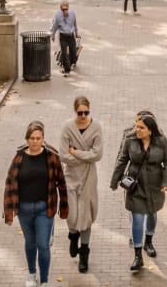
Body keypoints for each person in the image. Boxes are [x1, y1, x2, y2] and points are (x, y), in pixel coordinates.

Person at [4, 120, 69, 287]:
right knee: (30, 243)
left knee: (43, 245)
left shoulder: (52, 157)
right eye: (32, 138)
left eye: (38, 138)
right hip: (24, 209)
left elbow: (61, 183)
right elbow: (10, 183)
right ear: (27, 139)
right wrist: (9, 212)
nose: (35, 141)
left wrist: (63, 208)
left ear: (43, 139)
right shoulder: (19, 157)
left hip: (44, 208)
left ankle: (45, 280)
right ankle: (32, 274)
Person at [110, 111, 167, 272]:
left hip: (155, 185)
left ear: (150, 130)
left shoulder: (161, 141)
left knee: (152, 214)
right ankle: (138, 254)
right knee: (137, 219)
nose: (136, 130)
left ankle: (149, 241)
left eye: (141, 127)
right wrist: (114, 181)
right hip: (136, 185)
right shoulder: (130, 140)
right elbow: (122, 160)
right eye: (136, 126)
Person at [60, 96, 103, 274]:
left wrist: (76, 153)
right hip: (70, 176)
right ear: (75, 111)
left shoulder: (96, 127)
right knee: (72, 214)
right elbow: (63, 155)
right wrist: (85, 157)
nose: (84, 116)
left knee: (85, 216)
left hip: (88, 178)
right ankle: (73, 235)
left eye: (86, 112)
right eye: (80, 113)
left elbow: (98, 155)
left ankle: (84, 253)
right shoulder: (67, 127)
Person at [50, 2, 80, 76]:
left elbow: (75, 24)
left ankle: (69, 64)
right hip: (63, 36)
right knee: (64, 53)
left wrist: (76, 33)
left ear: (68, 8)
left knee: (73, 52)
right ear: (61, 9)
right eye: (63, 10)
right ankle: (67, 70)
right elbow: (55, 26)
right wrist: (53, 35)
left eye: (66, 9)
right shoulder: (58, 15)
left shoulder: (72, 14)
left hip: (71, 36)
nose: (65, 11)